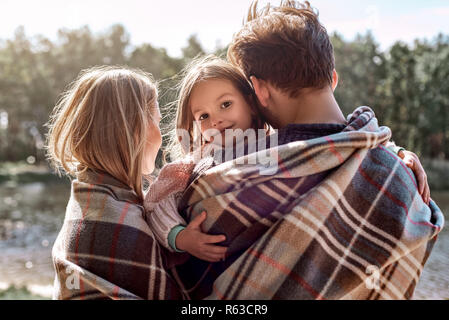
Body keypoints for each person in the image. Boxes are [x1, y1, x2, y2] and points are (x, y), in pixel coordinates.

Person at [169, 1, 444, 300]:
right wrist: (395, 151)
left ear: (259, 91)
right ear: (333, 78)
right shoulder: (404, 181)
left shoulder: (229, 177)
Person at [46, 66, 185, 299]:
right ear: (134, 131)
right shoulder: (119, 223)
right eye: (158, 122)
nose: (161, 135)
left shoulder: (88, 199)